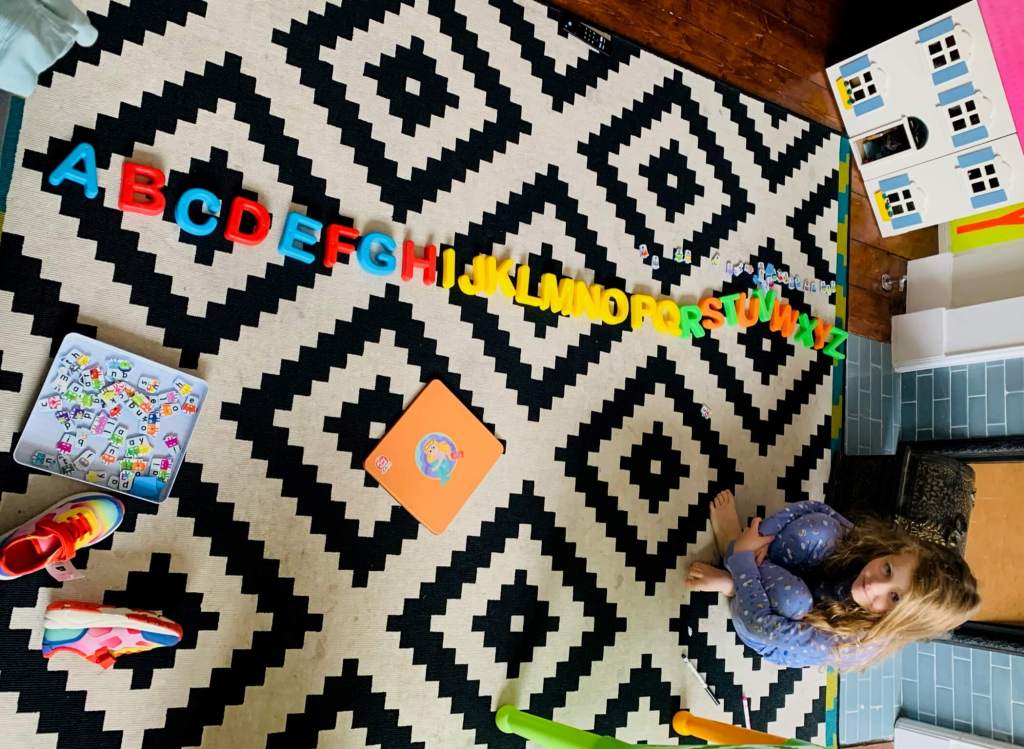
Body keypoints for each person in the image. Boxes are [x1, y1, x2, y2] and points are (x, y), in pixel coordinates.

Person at [685, 491, 980, 670]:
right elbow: (817, 510)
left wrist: (742, 560)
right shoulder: (873, 546)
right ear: (900, 551)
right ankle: (748, 555)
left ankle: (733, 575)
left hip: (776, 625)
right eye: (888, 569)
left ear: (898, 622)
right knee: (821, 530)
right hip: (804, 579)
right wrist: (762, 536)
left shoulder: (848, 644)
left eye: (894, 598)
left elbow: (760, 626)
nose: (874, 585)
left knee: (794, 600)